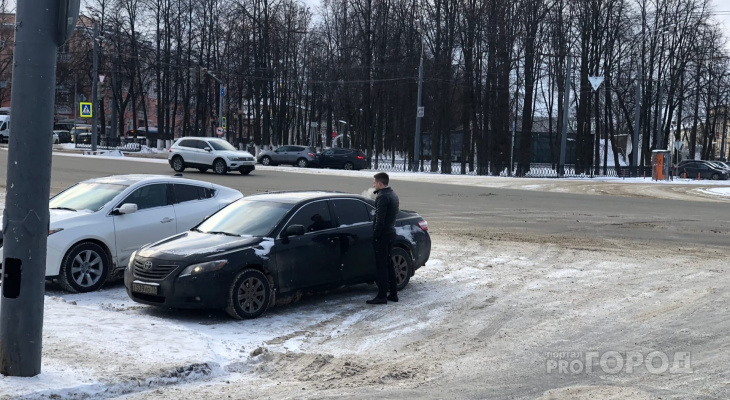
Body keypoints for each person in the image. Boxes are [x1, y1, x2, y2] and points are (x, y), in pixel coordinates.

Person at [367, 172, 400, 305]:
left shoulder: (383, 197)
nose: (373, 185)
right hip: (391, 233)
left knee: (381, 266)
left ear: (380, 183)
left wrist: (375, 236)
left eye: (374, 182)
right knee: (389, 264)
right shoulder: (393, 194)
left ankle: (381, 296)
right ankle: (393, 293)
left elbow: (379, 220)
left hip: (383, 235)